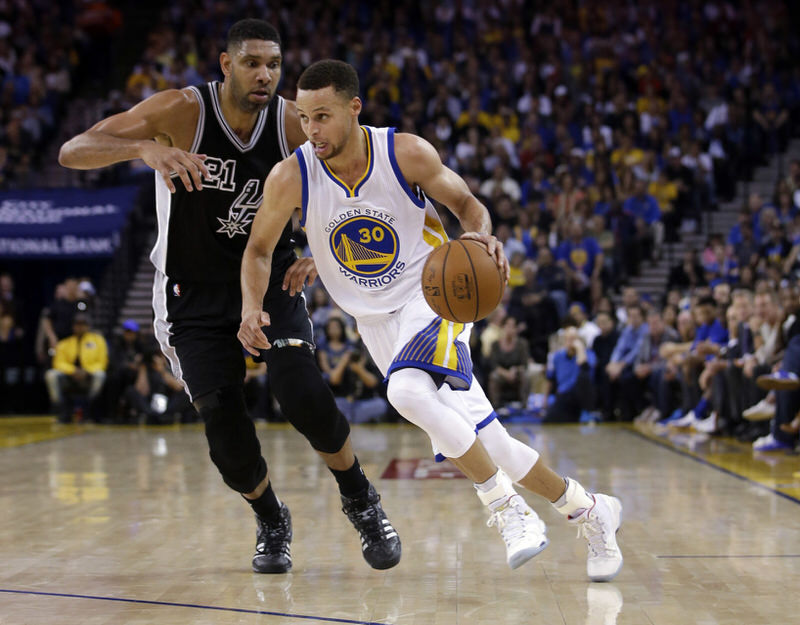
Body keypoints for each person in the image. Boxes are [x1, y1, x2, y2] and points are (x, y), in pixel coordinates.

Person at [239, 59, 623, 581]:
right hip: (374, 322)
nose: (312, 130)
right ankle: (591, 510)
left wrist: (480, 236)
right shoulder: (292, 175)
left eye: (323, 116)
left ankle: (506, 509)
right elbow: (259, 249)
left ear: (354, 108)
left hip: (436, 295)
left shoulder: (404, 153)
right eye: (305, 118)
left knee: (404, 392)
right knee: (496, 446)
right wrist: (251, 305)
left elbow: (468, 205)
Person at [58, 20, 400, 574]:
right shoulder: (181, 112)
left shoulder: (294, 122)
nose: (264, 74)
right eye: (252, 63)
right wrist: (146, 149)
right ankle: (270, 517)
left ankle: (361, 498)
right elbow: (74, 150)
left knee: (303, 394)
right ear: (226, 65)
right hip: (190, 292)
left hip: (270, 278)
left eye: (273, 64)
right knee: (226, 435)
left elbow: (357, 176)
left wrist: (326, 245)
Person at [44, 313, 108, 423]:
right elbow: (58, 363)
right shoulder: (65, 343)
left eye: (83, 324)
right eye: (77, 324)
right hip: (69, 377)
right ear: (73, 326)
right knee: (51, 374)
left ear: (88, 326)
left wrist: (86, 371)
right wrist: (73, 371)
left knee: (100, 374)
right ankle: (61, 410)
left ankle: (89, 409)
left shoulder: (98, 341)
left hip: (89, 376)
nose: (80, 327)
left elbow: (102, 362)